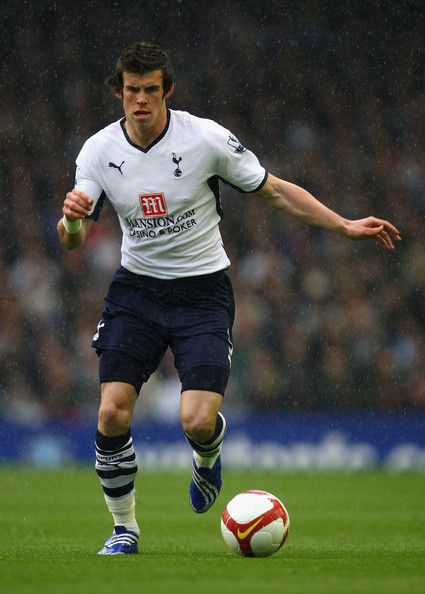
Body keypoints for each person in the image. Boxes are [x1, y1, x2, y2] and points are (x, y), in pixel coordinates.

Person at [57, 41, 400, 555]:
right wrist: (70, 219)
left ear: (168, 90)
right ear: (118, 92)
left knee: (195, 420)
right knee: (111, 413)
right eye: (132, 91)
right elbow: (74, 239)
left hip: (202, 293)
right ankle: (124, 529)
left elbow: (276, 190)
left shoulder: (206, 139)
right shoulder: (98, 152)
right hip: (137, 291)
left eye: (152, 90)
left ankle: (207, 454)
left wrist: (344, 224)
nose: (142, 101)